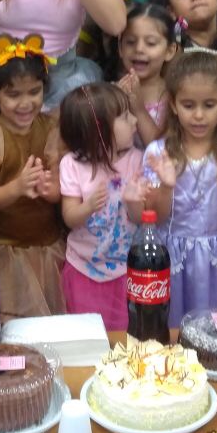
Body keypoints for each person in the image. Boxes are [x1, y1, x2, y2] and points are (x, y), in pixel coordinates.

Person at [142, 52, 217, 323]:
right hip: (171, 257)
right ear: (173, 104)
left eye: (209, 105)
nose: (198, 115)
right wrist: (166, 186)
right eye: (188, 105)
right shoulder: (159, 152)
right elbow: (154, 217)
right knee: (172, 331)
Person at [0, 34, 66, 318]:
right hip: (6, 251)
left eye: (34, 92)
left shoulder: (52, 127)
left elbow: (61, 191)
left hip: (49, 248)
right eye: (13, 95)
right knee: (12, 324)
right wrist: (18, 187)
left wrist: (50, 189)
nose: (25, 103)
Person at [59, 83, 144, 330]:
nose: (135, 120)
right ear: (99, 130)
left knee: (122, 336)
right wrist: (87, 207)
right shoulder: (71, 165)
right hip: (83, 268)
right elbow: (69, 217)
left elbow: (139, 218)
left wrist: (133, 202)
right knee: (87, 334)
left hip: (125, 270)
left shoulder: (137, 160)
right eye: (125, 116)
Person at [116, 2, 178, 145]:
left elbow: (163, 150)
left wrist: (138, 110)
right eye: (130, 42)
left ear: (170, 51)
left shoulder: (176, 97)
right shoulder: (109, 94)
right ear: (120, 48)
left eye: (151, 43)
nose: (139, 49)